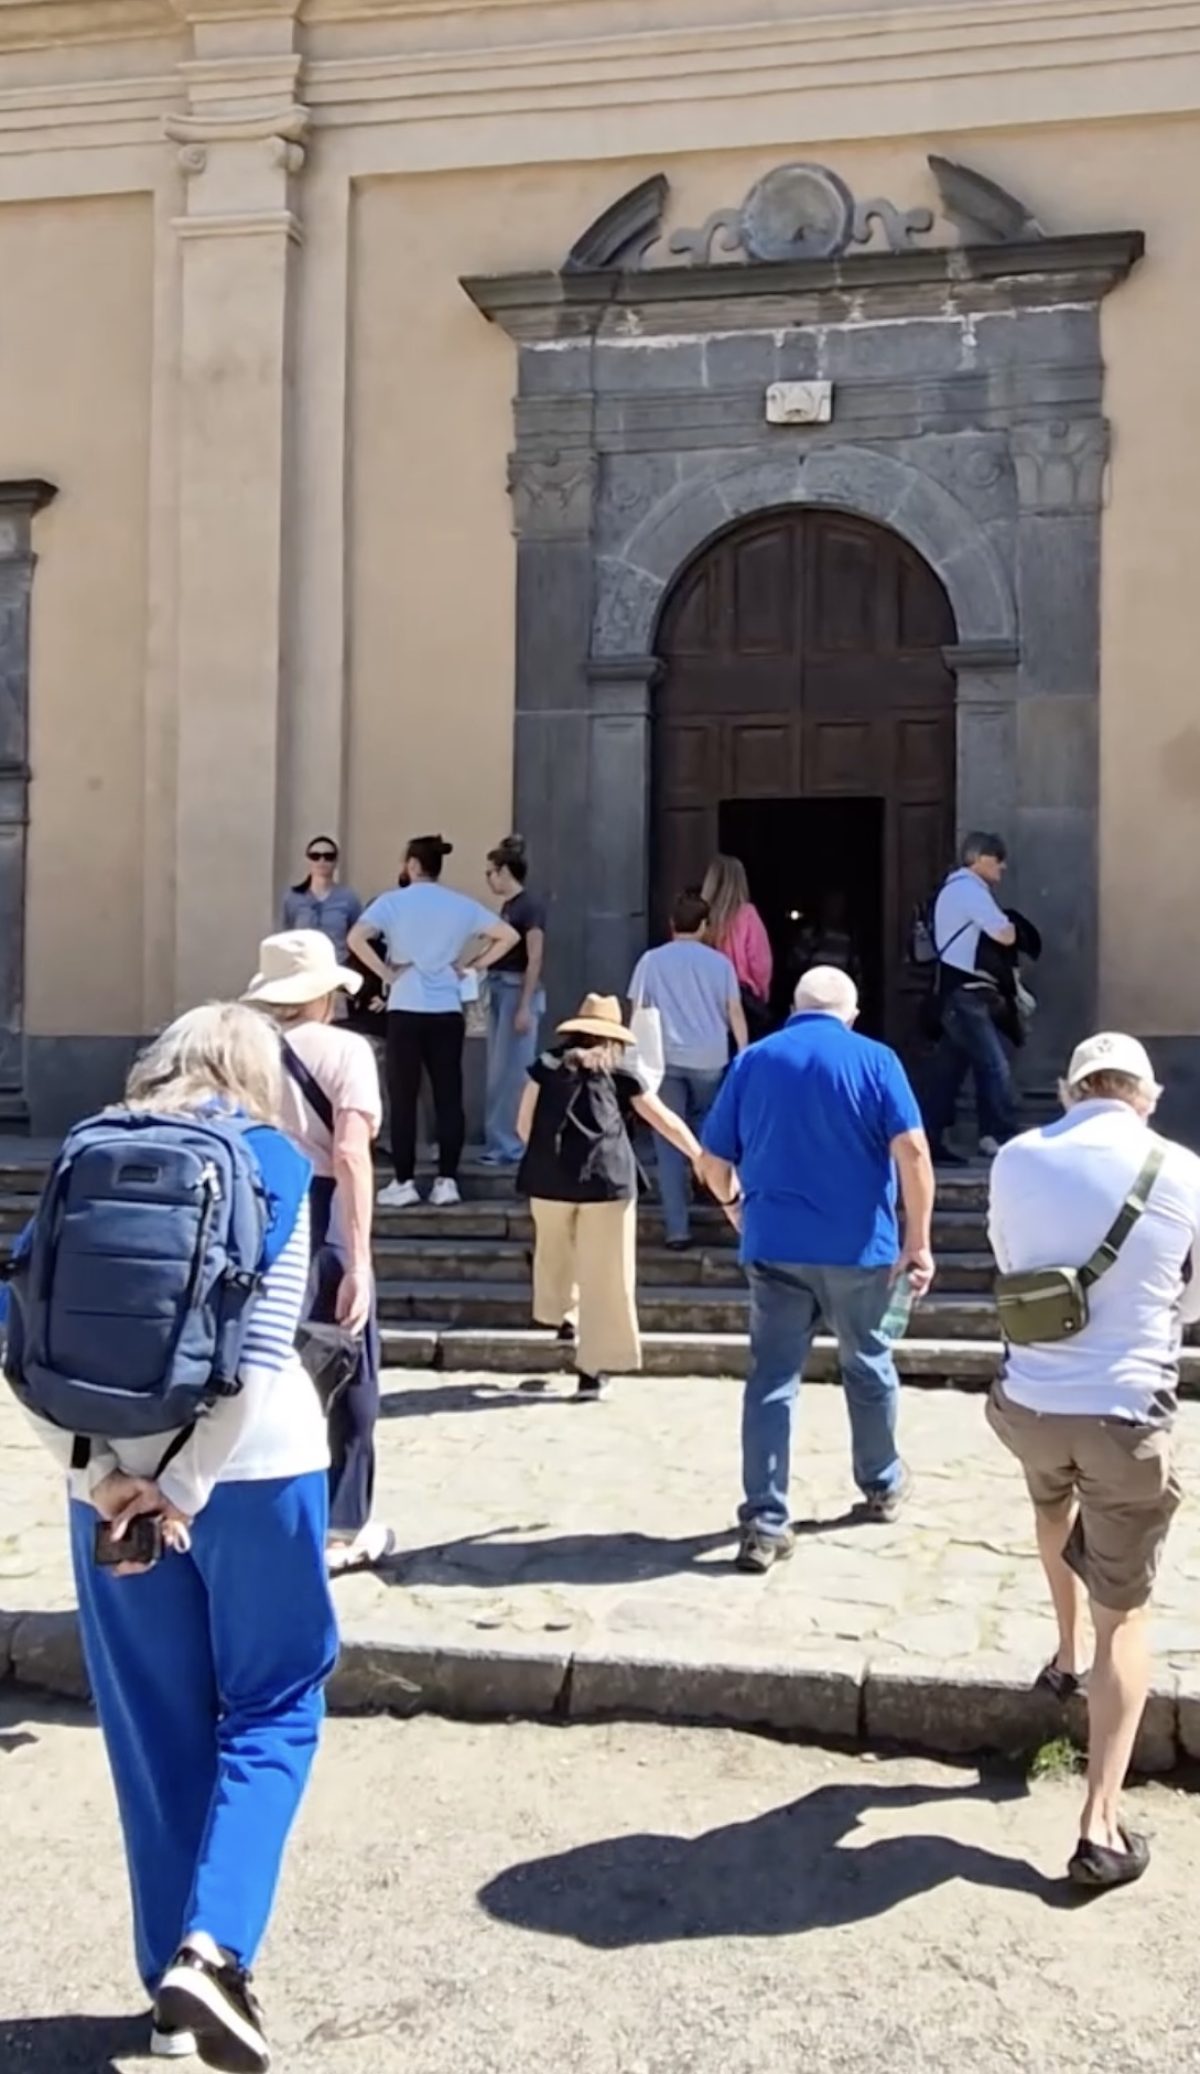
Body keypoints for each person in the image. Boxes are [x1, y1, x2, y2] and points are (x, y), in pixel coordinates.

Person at [16, 1004, 337, 2071]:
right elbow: (255, 1349)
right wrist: (185, 1483)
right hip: (256, 1473)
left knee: (155, 1735)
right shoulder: (278, 1165)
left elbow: (23, 1329)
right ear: (256, 1072)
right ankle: (216, 1951)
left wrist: (104, 1471)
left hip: (106, 1487)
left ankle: (168, 1995)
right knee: (276, 1705)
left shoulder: (85, 1153)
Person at [987, 1033, 1199, 1890]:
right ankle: (1100, 1826)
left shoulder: (1014, 1158)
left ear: (1071, 1092)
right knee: (1131, 1613)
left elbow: (1011, 1263)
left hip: (1030, 1403)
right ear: (1145, 1097)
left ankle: (1063, 1653)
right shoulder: (1179, 1167)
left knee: (1050, 1510)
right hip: (1124, 1413)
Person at [699, 966, 935, 1574]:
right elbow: (911, 1151)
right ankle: (881, 1482)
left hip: (774, 1245)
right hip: (860, 1248)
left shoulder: (753, 1061)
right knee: (868, 1361)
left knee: (772, 1379)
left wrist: (734, 1209)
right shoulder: (876, 1059)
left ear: (794, 1008)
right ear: (850, 1014)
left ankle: (765, 1522)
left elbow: (712, 1159)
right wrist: (918, 1239)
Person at [244, 929, 393, 1576]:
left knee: (262, 1364)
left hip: (255, 1211)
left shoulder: (240, 1052)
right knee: (350, 1365)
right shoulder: (344, 1049)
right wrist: (359, 1259)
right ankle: (341, 1523)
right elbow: (352, 1152)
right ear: (326, 995)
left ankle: (259, 1513)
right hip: (323, 1206)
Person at [516, 994, 707, 1400]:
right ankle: (592, 1369)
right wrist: (700, 1156)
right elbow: (664, 1121)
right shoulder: (622, 1073)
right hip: (608, 1180)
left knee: (554, 1252)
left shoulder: (546, 1066)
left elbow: (522, 1125)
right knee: (607, 1275)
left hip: (548, 1181)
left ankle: (563, 1311)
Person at [348, 834, 518, 1209]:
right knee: (448, 1095)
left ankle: (405, 1180)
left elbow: (356, 937)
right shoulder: (460, 904)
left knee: (404, 1095)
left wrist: (386, 974)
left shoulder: (391, 903)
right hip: (446, 1008)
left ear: (411, 865)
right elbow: (508, 935)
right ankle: (447, 1180)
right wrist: (472, 965)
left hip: (406, 1005)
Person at [629, 893, 749, 1251]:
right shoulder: (720, 964)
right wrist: (743, 1055)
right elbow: (735, 1012)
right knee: (711, 1134)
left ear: (672, 925)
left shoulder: (650, 961)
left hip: (663, 1060)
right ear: (704, 926)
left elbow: (636, 1009)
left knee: (668, 1141)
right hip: (710, 1059)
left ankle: (677, 1229)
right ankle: (719, 1198)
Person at [921, 831, 1020, 1164]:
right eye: (997, 859)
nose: (1002, 868)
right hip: (967, 994)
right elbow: (1003, 935)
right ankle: (999, 1135)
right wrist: (1011, 926)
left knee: (949, 1070)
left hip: (953, 991)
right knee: (995, 1066)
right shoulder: (969, 890)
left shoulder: (952, 889)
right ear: (979, 859)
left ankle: (930, 1137)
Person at [482, 834, 547, 1166]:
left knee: (512, 1072)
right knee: (499, 1070)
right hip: (500, 987)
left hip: (516, 989)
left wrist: (525, 1004)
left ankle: (511, 1144)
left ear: (504, 870)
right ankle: (500, 1142)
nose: (489, 879)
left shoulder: (529, 906)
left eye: (490, 872)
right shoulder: (509, 907)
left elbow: (535, 956)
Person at [701, 854, 773, 1037]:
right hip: (740, 998)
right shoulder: (748, 915)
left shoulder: (700, 917)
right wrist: (761, 994)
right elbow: (760, 964)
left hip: (704, 994)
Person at [280, 836, 363, 972]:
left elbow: (357, 935)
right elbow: (286, 935)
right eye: (315, 856)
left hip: (337, 969)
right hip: (302, 970)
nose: (322, 861)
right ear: (308, 861)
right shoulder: (293, 897)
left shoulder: (348, 898)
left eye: (328, 856)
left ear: (336, 862)